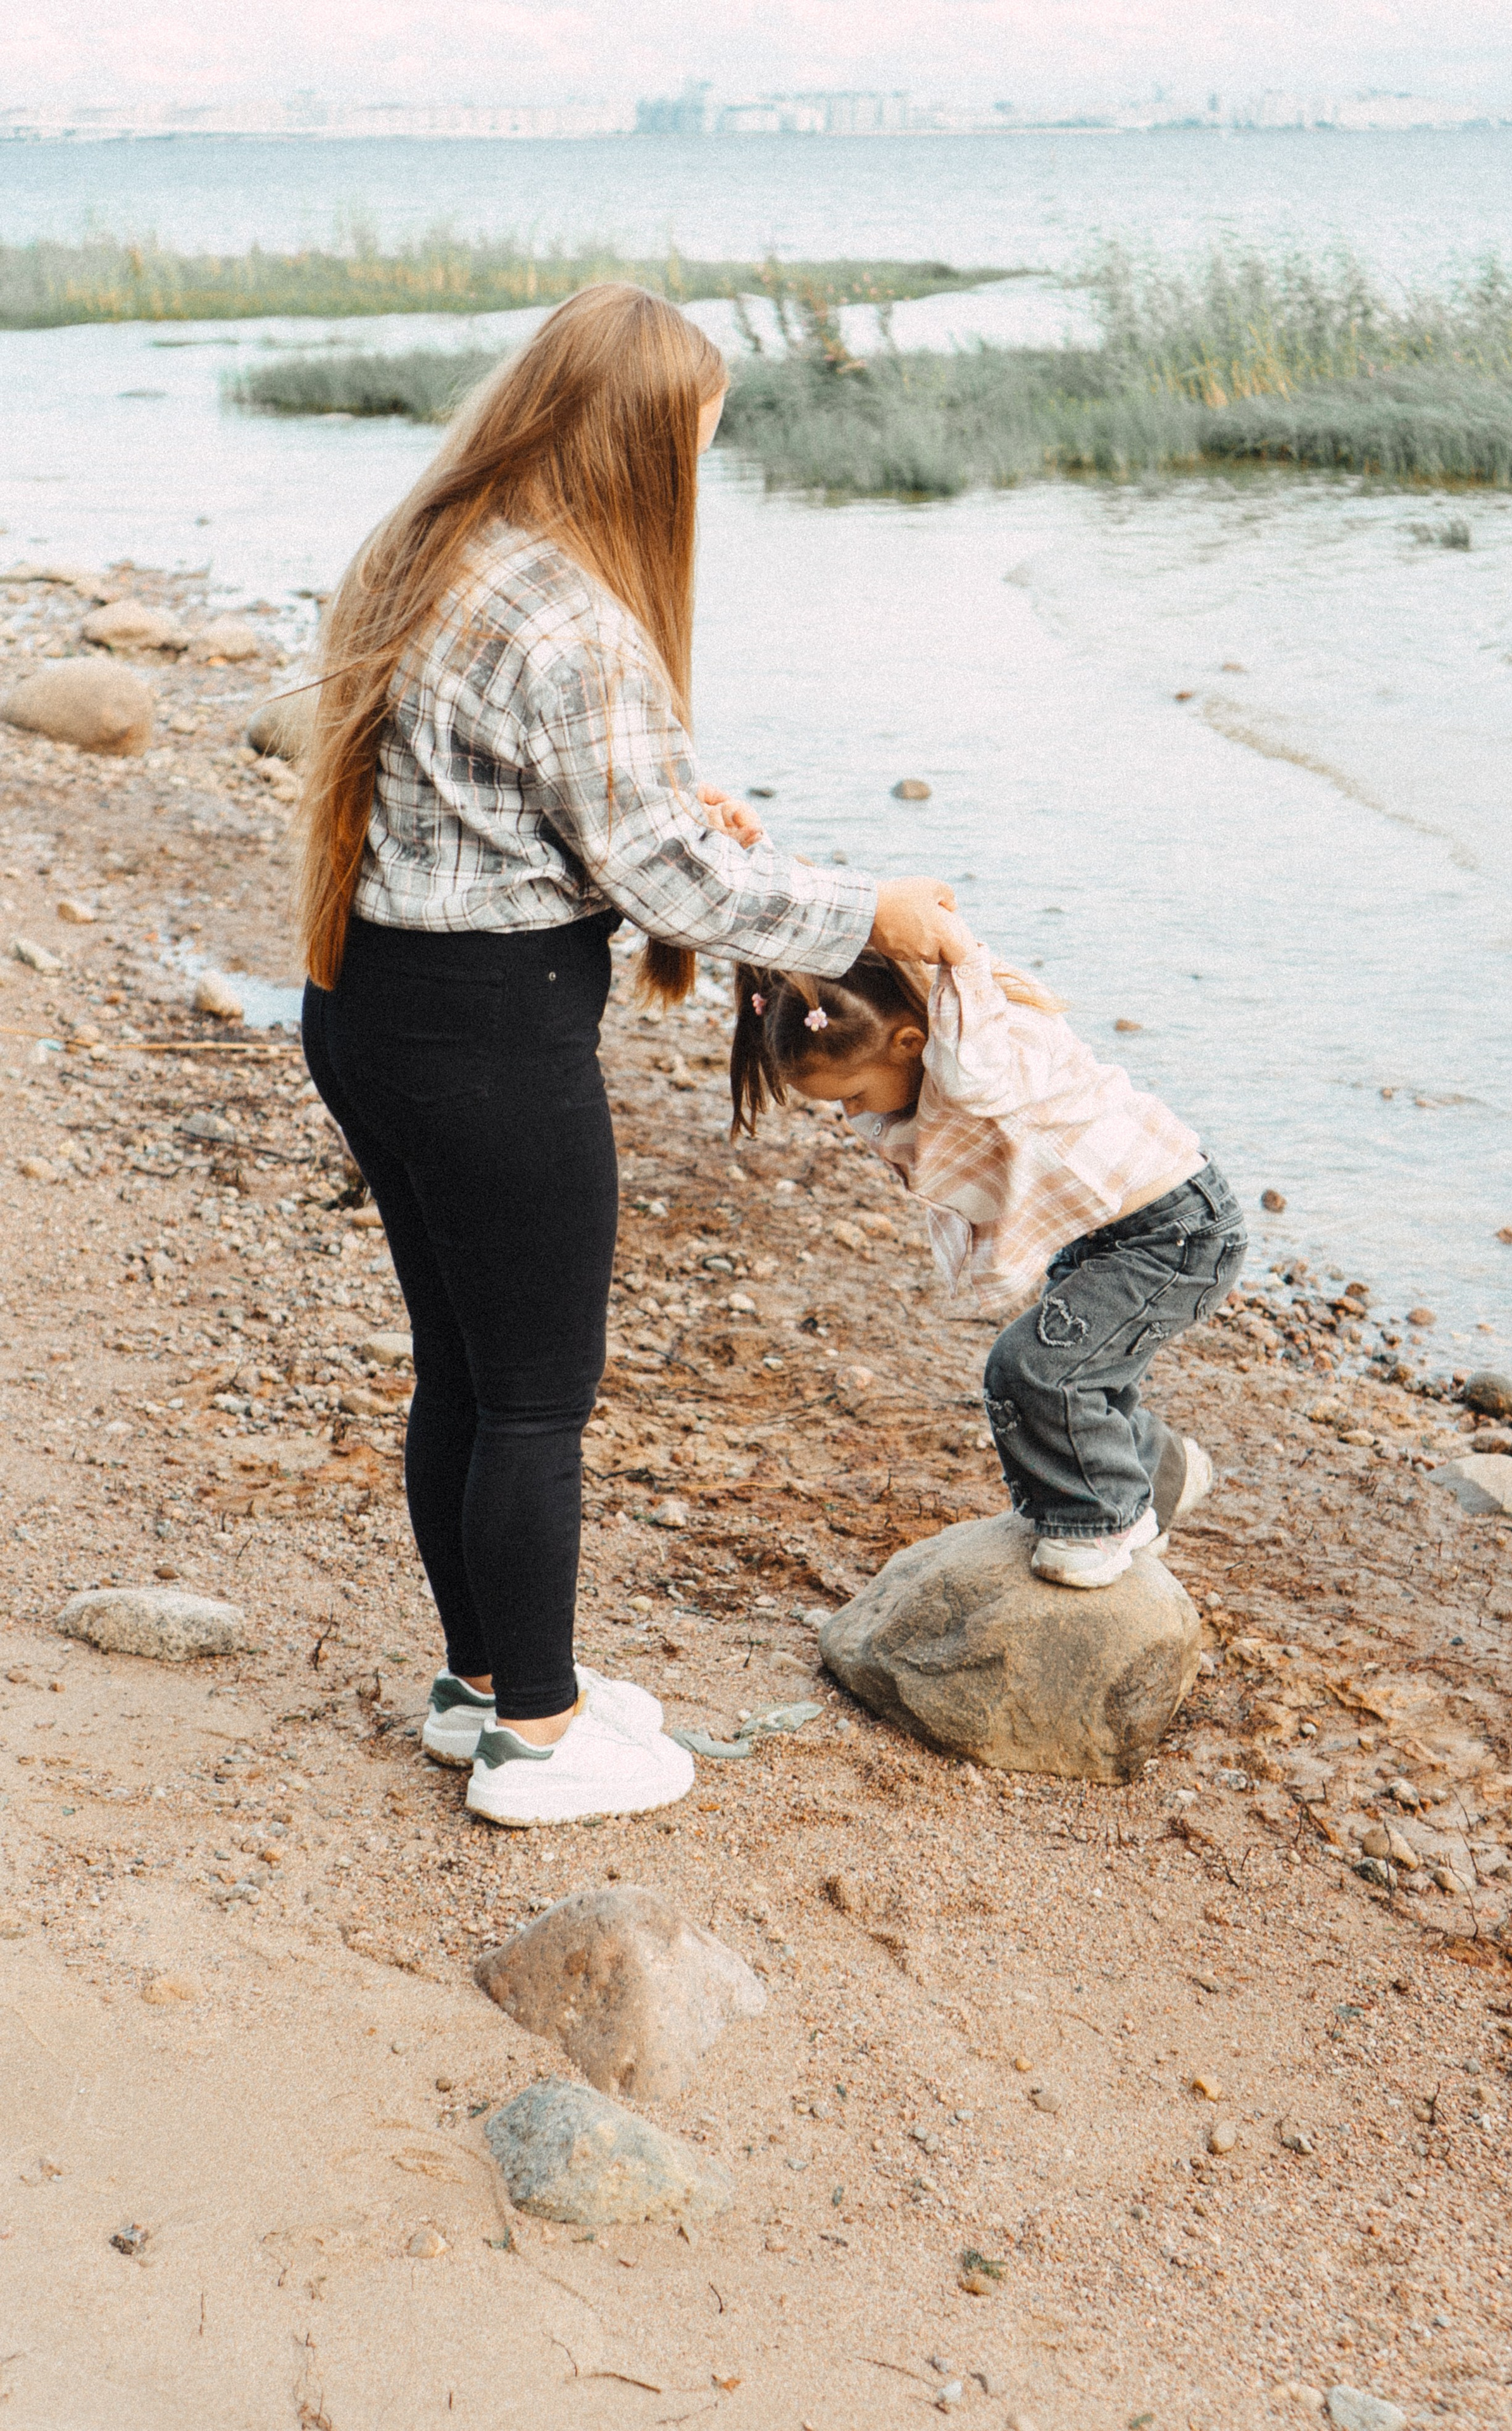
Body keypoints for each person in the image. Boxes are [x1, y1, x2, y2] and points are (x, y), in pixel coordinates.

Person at [295, 284, 961, 1828]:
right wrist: (875, 910)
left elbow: (484, 801)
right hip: (487, 1033)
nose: (694, 481)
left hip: (370, 1004)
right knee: (534, 1393)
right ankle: (538, 1734)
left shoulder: (426, 544)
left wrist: (663, 814)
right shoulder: (578, 616)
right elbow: (673, 881)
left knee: (463, 1368)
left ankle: (482, 1686)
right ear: (632, 448)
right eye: (692, 451)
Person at [731, 931, 1247, 1586]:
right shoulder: (905, 1081)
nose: (848, 1114)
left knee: (1034, 1368)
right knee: (1087, 1373)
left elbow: (957, 996)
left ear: (911, 1043)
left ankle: (1103, 1520)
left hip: (1177, 1231)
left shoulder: (978, 1059)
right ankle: (1161, 1467)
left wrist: (946, 942)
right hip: (1108, 1232)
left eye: (853, 1095)